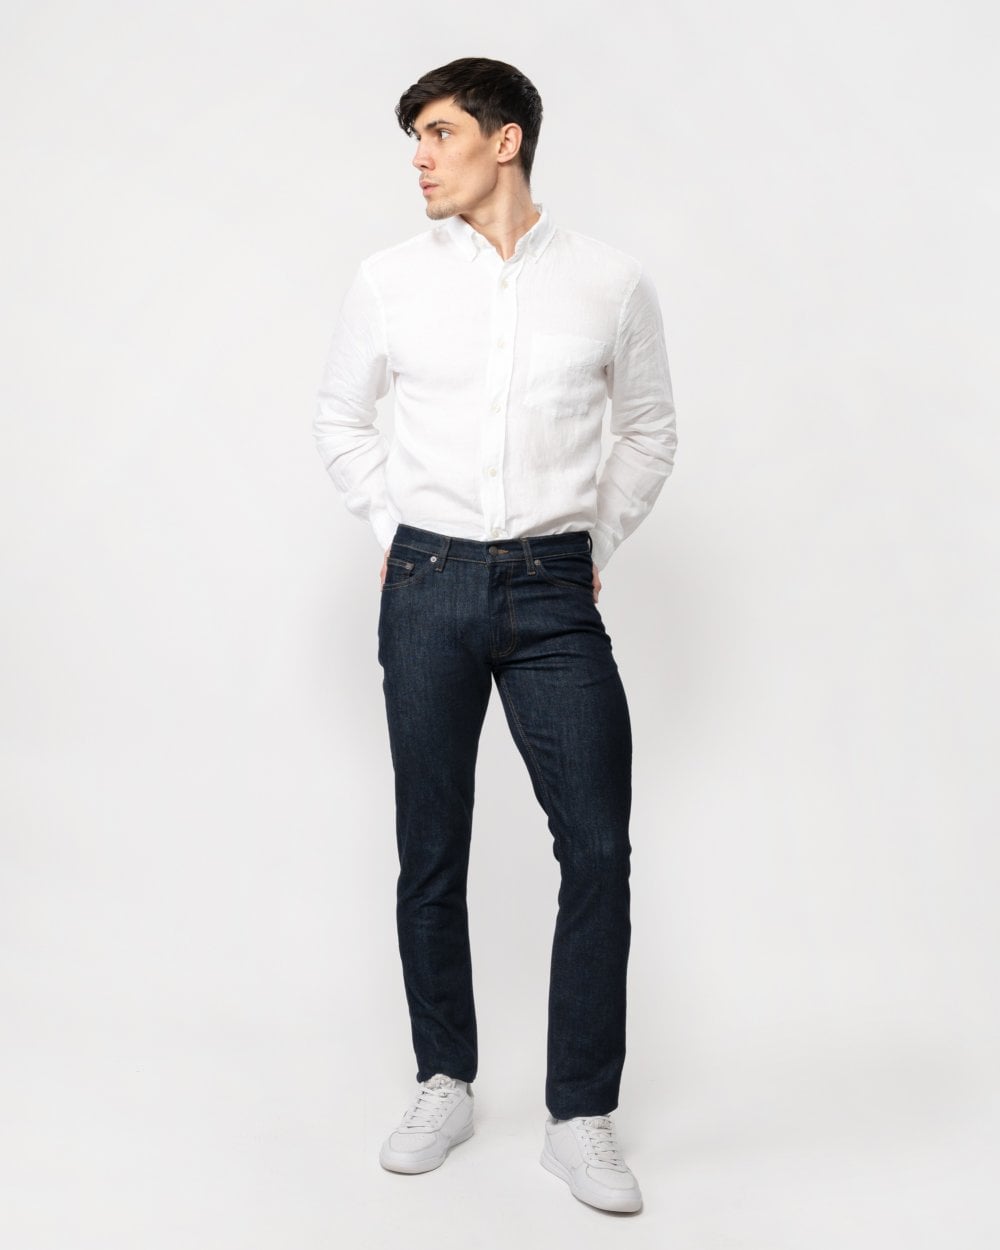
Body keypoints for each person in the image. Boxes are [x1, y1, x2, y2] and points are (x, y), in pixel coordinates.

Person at [313, 56, 677, 1214]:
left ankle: (579, 1113)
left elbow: (650, 429)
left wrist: (590, 542)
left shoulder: (609, 282)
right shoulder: (388, 280)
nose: (420, 158)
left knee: (598, 848)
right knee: (432, 844)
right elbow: (340, 417)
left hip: (554, 589)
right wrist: (397, 527)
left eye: (438, 133)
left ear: (504, 139)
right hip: (426, 581)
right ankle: (444, 1079)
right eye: (414, 139)